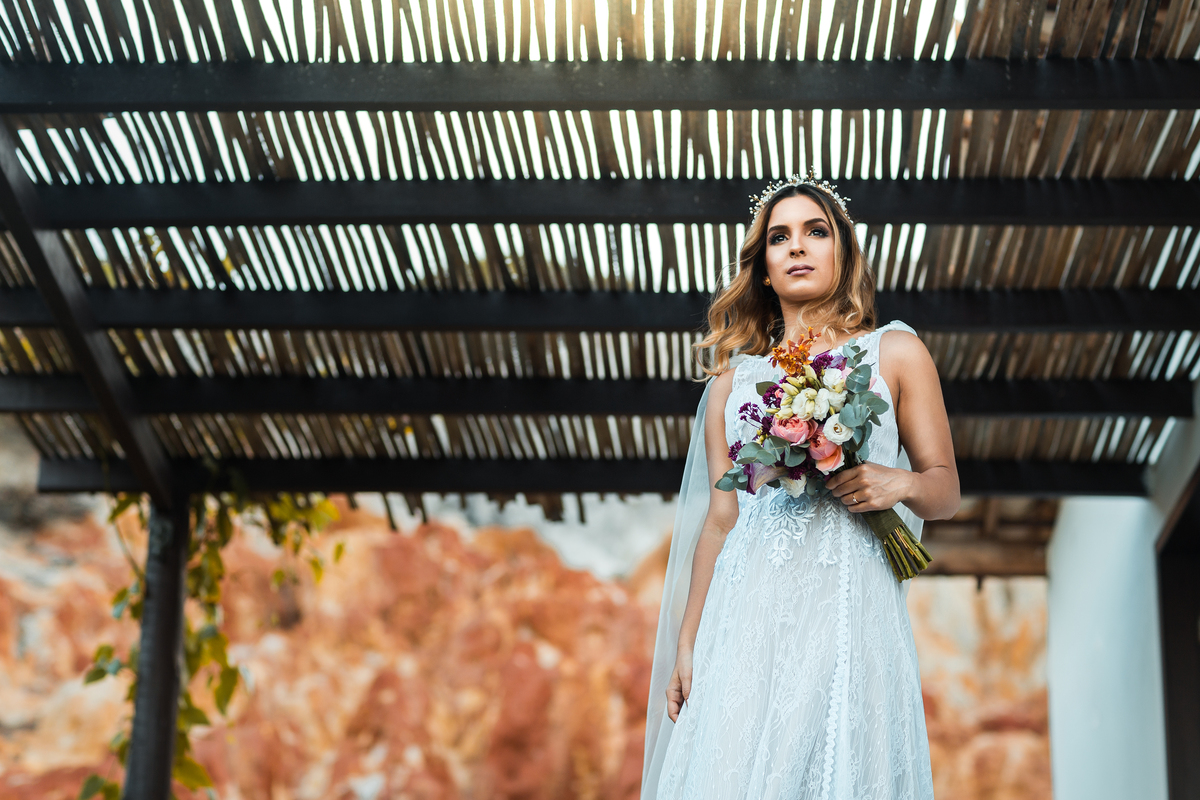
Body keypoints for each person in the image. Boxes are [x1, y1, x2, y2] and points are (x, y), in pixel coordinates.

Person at [641, 175, 960, 800]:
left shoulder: (895, 352)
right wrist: (688, 643)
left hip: (850, 600)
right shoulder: (729, 388)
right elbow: (720, 521)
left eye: (816, 232)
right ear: (762, 268)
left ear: (841, 251)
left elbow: (944, 490)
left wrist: (897, 482)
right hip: (748, 612)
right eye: (779, 238)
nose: (797, 247)